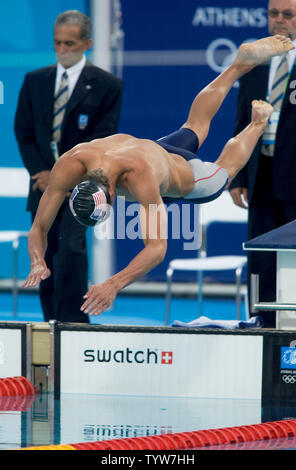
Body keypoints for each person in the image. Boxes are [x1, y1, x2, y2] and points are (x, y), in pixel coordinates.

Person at [23, 35, 293, 318]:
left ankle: (257, 123)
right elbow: (39, 229)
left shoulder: (140, 177)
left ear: (112, 194)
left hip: (183, 174)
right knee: (194, 124)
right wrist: (37, 259)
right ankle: (238, 65)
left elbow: (156, 249)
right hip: (156, 148)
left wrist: (113, 285)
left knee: (223, 173)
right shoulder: (71, 161)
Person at [14, 10, 122, 323]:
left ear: (87, 43)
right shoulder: (35, 82)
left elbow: (103, 139)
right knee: (44, 255)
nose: (62, 49)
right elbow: (24, 132)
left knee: (71, 254)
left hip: (82, 188)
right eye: (57, 43)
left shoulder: (107, 85)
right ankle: (51, 324)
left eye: (70, 43)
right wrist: (42, 174)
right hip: (43, 185)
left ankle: (73, 325)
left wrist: (65, 177)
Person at [229, 0, 296, 328]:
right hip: (260, 176)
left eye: (288, 14)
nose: (279, 20)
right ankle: (261, 325)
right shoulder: (253, 59)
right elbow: (242, 117)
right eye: (274, 13)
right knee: (261, 260)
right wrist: (237, 173)